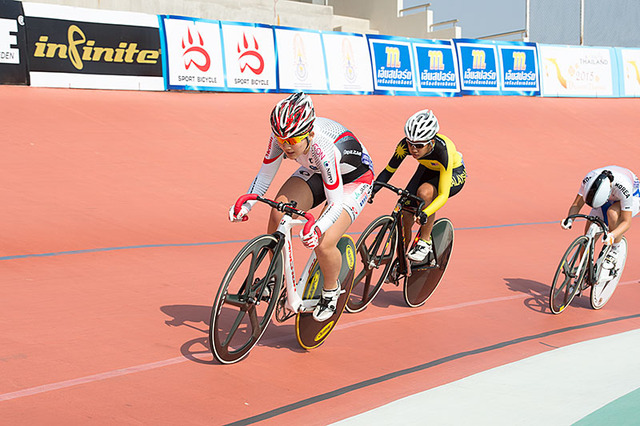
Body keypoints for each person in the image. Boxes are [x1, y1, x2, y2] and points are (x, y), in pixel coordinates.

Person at [228, 92, 374, 321]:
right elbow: (264, 175)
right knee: (278, 211)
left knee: (324, 243)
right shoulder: (283, 137)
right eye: (281, 140)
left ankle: (330, 290)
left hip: (353, 180)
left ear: (310, 134)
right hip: (317, 170)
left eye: (293, 141)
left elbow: (334, 203)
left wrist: (317, 228)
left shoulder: (323, 147)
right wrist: (246, 204)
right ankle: (276, 276)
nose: (286, 146)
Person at [372, 109, 466, 263]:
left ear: (431, 143)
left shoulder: (443, 151)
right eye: (410, 144)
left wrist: (425, 213)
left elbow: (442, 195)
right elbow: (389, 171)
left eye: (419, 145)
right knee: (405, 214)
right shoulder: (404, 146)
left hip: (452, 173)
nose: (413, 149)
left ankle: (425, 241)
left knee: (425, 193)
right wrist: (373, 190)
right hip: (427, 168)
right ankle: (400, 261)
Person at [561, 165, 640, 269]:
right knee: (590, 230)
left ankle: (615, 249)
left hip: (633, 195)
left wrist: (612, 235)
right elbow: (577, 204)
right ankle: (583, 271)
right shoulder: (589, 179)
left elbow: (626, 222)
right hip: (606, 193)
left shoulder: (624, 188)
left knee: (612, 213)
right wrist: (570, 219)